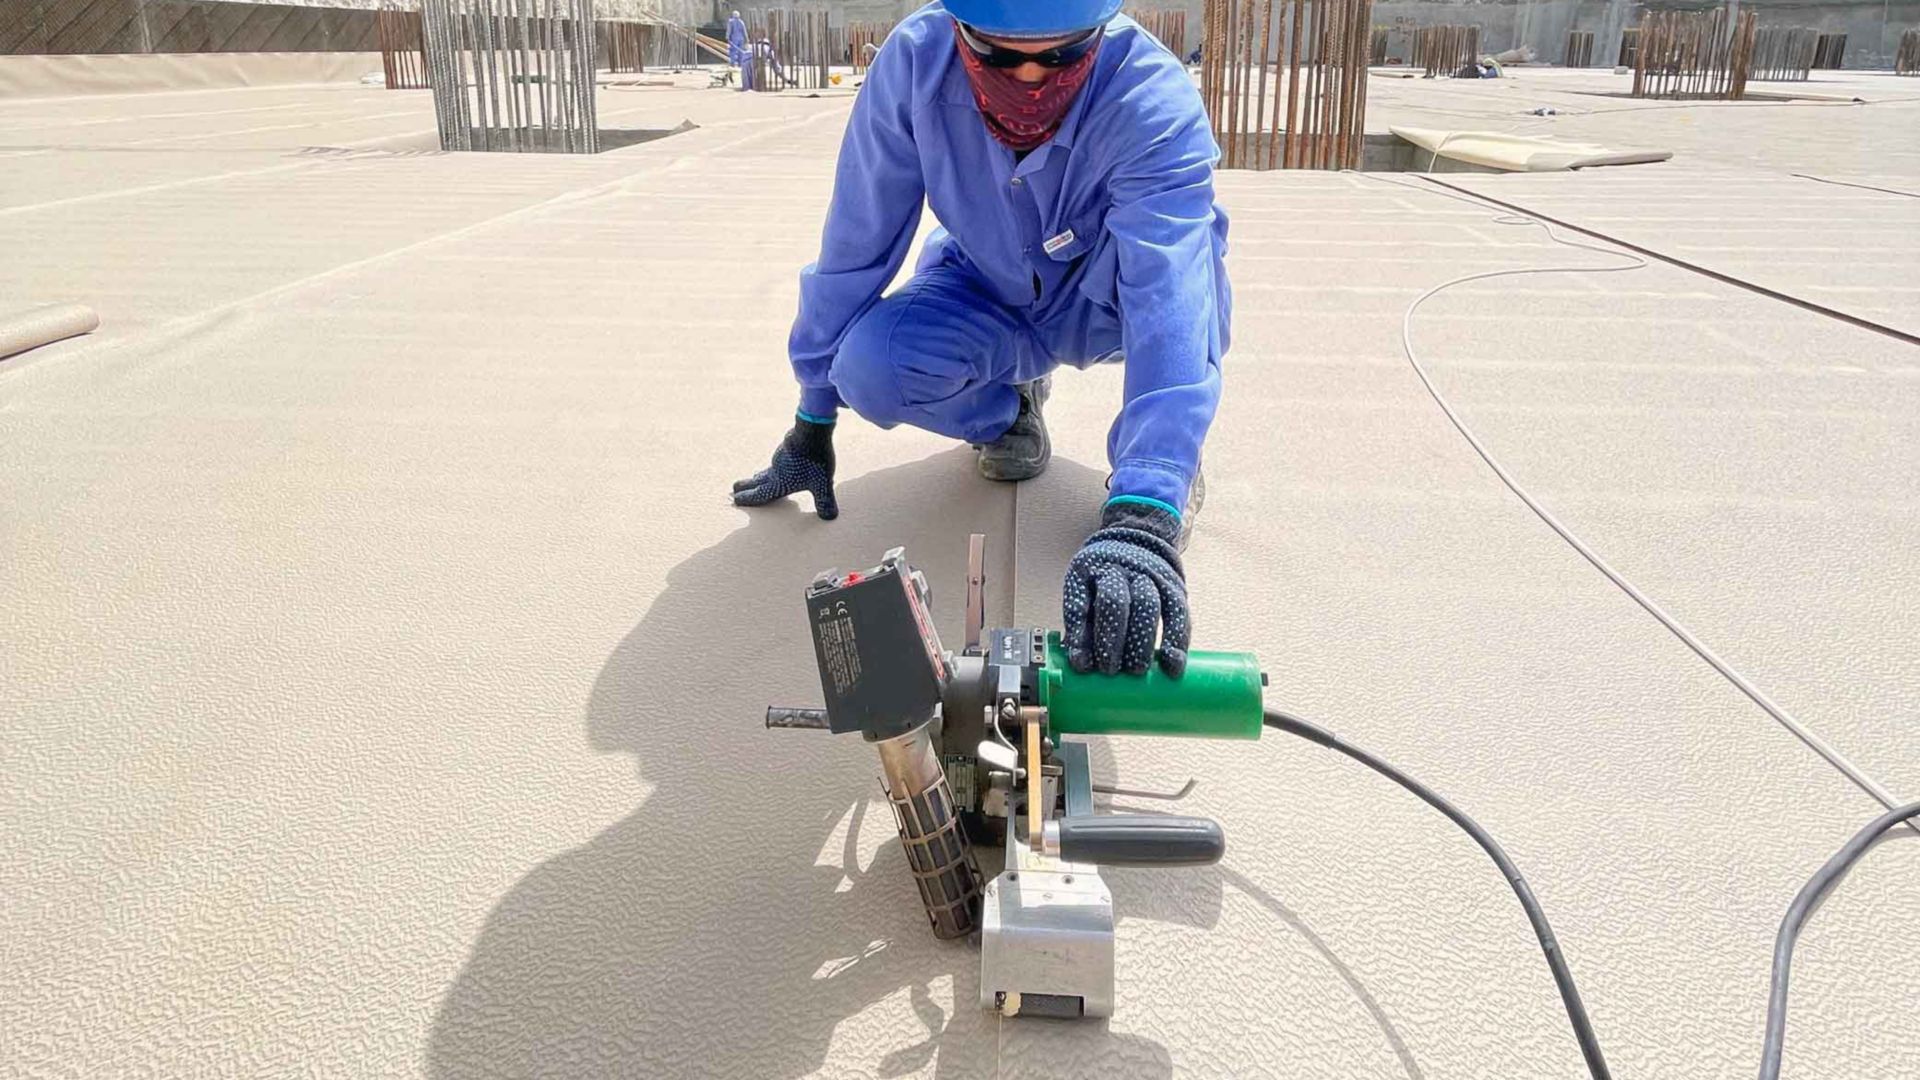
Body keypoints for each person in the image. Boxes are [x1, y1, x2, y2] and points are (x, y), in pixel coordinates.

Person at [731, 0, 1230, 679]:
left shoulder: (1150, 96)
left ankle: (1167, 457)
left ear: (1097, 37)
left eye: (1058, 57)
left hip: (1105, 301)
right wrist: (812, 419)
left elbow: (1170, 300)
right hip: (986, 288)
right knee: (869, 367)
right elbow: (856, 241)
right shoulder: (914, 66)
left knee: (1189, 290)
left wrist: (1148, 503)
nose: (1028, 79)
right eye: (998, 55)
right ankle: (1012, 412)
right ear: (958, 30)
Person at [726, 10, 748, 90]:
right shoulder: (741, 22)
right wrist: (747, 39)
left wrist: (727, 37)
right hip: (741, 39)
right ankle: (740, 64)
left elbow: (729, 30)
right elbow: (744, 31)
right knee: (740, 52)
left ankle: (732, 64)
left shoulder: (731, 21)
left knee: (733, 51)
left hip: (734, 38)